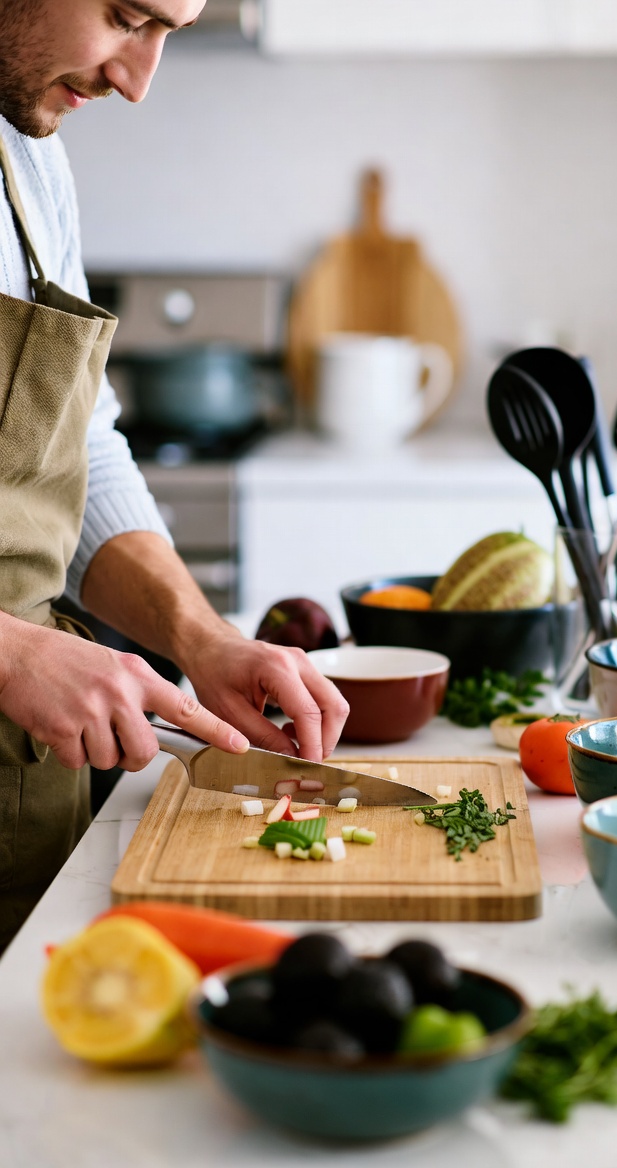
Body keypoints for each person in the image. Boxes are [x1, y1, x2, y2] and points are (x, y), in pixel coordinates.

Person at [0, 0, 349, 951]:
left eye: (169, 34)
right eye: (125, 17)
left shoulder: (31, 160)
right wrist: (12, 654)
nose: (137, 79)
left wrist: (201, 638)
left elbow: (74, 445)